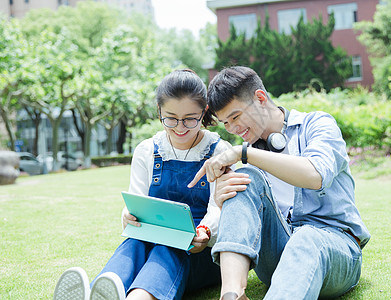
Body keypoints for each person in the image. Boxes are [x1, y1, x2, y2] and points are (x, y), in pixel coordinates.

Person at [188, 66, 371, 300]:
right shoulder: (249, 156)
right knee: (242, 180)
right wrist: (223, 202)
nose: (233, 129)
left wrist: (245, 154)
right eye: (226, 123)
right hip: (278, 254)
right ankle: (231, 294)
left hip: (337, 249)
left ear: (261, 98)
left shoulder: (317, 124)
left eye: (235, 117)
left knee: (307, 237)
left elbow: (315, 176)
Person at [53, 69, 232, 300]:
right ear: (159, 111)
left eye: (190, 119)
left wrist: (205, 232)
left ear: (203, 111)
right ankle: (99, 291)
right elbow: (135, 201)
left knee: (169, 247)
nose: (180, 127)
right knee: (134, 244)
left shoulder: (219, 151)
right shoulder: (147, 150)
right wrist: (128, 214)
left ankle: (139, 297)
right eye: (171, 118)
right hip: (151, 240)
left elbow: (220, 208)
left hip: (200, 252)